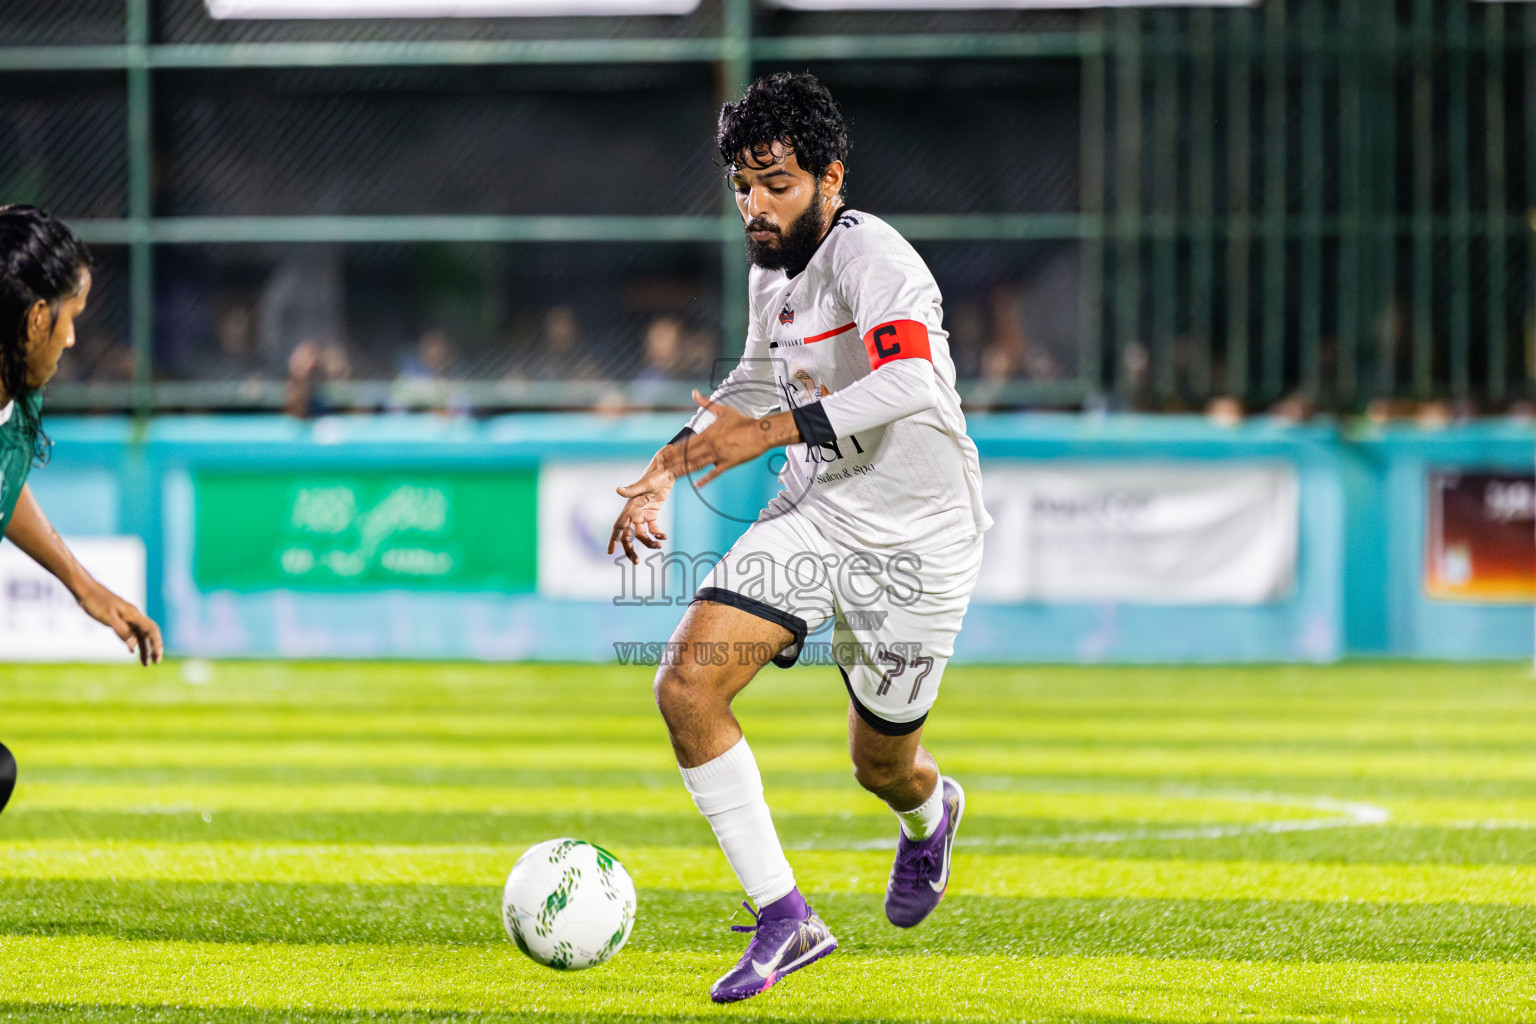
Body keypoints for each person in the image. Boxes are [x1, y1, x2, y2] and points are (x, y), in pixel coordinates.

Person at [607, 74, 991, 1003]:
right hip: (817, 512)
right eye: (743, 185)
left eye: (776, 184)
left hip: (920, 544)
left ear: (831, 178)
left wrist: (769, 431)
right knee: (686, 684)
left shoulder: (876, 259)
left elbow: (911, 385)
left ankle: (930, 815)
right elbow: (751, 380)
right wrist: (667, 463)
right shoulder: (770, 274)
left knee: (881, 764)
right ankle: (785, 916)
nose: (756, 206)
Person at [0, 206, 163, 670]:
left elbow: (4, 484)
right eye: (71, 316)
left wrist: (84, 586)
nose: (71, 338)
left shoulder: (19, 396)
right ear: (37, 319)